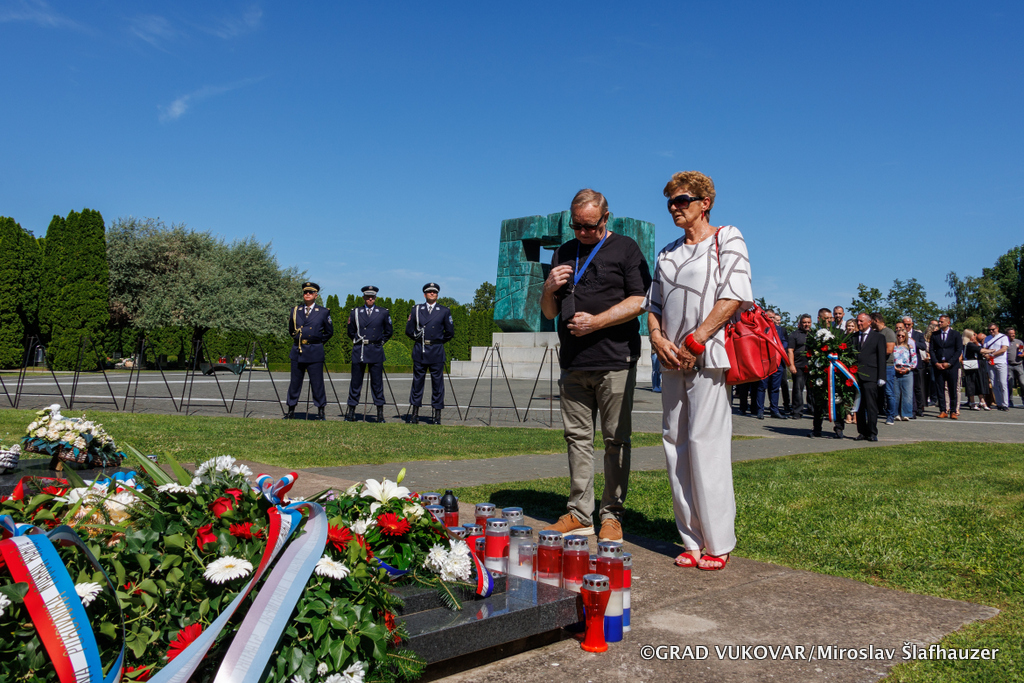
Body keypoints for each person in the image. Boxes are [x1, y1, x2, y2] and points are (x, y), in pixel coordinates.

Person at [645, 171, 752, 571]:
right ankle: (690, 538)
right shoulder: (667, 253)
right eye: (670, 202)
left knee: (707, 444)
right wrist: (658, 339)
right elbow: (653, 305)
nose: (675, 207)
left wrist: (697, 339)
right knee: (675, 445)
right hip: (671, 359)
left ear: (705, 203)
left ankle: (717, 542)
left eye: (682, 200)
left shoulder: (728, 237)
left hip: (708, 355)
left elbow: (734, 295)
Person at [540, 188, 651, 542]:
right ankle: (579, 513)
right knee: (577, 439)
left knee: (616, 439)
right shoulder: (564, 251)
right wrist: (547, 288)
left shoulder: (626, 248)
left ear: (606, 217)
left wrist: (597, 322)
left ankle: (612, 515)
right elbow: (549, 312)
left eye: (590, 226)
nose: (584, 232)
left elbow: (641, 300)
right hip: (573, 361)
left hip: (614, 358)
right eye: (577, 226)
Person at [406, 283, 454, 424]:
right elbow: (408, 330)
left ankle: (437, 414)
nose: (432, 293)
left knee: (437, 384)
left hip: (436, 351)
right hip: (420, 350)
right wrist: (419, 339)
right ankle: (415, 413)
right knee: (417, 384)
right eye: (429, 292)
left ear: (437, 295)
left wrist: (437, 341)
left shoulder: (444, 311)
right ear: (424, 295)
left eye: (434, 292)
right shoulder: (416, 309)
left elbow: (450, 332)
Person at [285, 281, 334, 420]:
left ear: (316, 295)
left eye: (311, 292)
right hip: (298, 350)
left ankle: (320, 411)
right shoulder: (295, 310)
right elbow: (291, 330)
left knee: (317, 383)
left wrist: (317, 341)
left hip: (314, 351)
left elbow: (329, 332)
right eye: (305, 292)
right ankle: (291, 410)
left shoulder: (323, 312)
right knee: (295, 383)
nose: (307, 294)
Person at [346, 286, 393, 423]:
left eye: (372, 297)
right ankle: (351, 411)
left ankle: (379, 413)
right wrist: (358, 341)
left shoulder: (383, 312)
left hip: (375, 350)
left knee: (377, 384)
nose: (370, 299)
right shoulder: (355, 312)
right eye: (367, 296)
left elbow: (388, 331)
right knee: (355, 383)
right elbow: (350, 331)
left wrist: (379, 342)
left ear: (375, 298)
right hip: (359, 350)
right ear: (363, 297)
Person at [854, 312, 887, 441]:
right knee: (859, 406)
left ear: (869, 322)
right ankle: (862, 432)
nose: (859, 323)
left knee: (871, 405)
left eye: (861, 321)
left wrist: (882, 376)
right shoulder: (854, 337)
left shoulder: (878, 337)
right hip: (856, 377)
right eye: (858, 321)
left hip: (871, 376)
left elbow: (881, 357)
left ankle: (872, 432)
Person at [755, 311, 793, 419]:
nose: (771, 319)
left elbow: (784, 341)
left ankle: (774, 410)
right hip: (764, 361)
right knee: (762, 386)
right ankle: (760, 410)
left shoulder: (779, 329)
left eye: (773, 317)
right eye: (769, 317)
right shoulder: (759, 328)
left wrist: (779, 347)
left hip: (777, 362)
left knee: (775, 387)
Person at [929, 314, 963, 419]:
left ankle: (953, 411)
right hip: (939, 366)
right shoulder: (935, 335)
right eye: (939, 321)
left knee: (953, 389)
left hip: (952, 366)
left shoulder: (956, 334)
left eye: (941, 322)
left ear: (948, 323)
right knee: (940, 389)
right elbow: (931, 350)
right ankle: (943, 410)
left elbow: (958, 350)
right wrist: (936, 362)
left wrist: (950, 363)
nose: (939, 323)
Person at [872, 313, 897, 425]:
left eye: (871, 320)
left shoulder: (888, 332)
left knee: (889, 392)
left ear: (876, 321)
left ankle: (891, 416)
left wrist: (872, 353)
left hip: (887, 366)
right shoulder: (875, 332)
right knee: (874, 391)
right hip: (875, 366)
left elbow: (889, 350)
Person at [980, 323, 1010, 411]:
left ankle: (1005, 404)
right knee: (994, 384)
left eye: (993, 329)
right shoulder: (987, 338)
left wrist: (992, 355)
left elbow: (1003, 349)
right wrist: (986, 356)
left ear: (997, 328)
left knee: (1003, 383)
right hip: (990, 363)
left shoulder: (1003, 337)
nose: (991, 331)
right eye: (989, 330)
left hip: (1001, 362)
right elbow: (984, 349)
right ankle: (999, 403)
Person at [788, 314, 813, 419]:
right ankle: (797, 411)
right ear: (800, 323)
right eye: (804, 322)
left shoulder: (815, 334)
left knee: (812, 389)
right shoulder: (794, 335)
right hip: (798, 365)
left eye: (808, 322)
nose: (806, 324)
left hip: (812, 366)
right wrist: (791, 365)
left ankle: (812, 409)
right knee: (798, 389)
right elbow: (790, 350)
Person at [904, 316, 928, 417]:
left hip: (916, 364)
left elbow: (923, 346)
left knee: (918, 387)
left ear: (912, 324)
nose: (906, 326)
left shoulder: (918, 334)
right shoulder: (900, 334)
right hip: (905, 363)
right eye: (905, 324)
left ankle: (919, 408)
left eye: (908, 324)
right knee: (907, 388)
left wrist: (914, 343)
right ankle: (909, 408)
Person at [893, 329, 917, 421]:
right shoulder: (894, 347)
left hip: (907, 370)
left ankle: (906, 414)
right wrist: (895, 368)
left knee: (907, 394)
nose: (900, 337)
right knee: (896, 394)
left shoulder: (909, 347)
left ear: (905, 337)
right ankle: (896, 413)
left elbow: (914, 360)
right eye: (899, 335)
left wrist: (908, 368)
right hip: (896, 370)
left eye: (903, 336)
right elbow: (890, 359)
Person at [962, 330, 988, 410]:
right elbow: (980, 350)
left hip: (976, 366)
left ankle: (982, 401)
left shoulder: (972, 344)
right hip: (971, 366)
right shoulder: (969, 344)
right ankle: (972, 402)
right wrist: (991, 351)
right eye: (973, 335)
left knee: (979, 383)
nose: (975, 336)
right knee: (971, 384)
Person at [1007, 327, 1023, 407]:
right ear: (1007, 334)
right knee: (1010, 384)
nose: (1013, 335)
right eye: (1011, 333)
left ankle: (1023, 399)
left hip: (1018, 365)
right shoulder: (1005, 342)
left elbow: (1022, 352)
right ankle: (1010, 401)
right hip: (1008, 365)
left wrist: (1022, 354)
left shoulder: (1019, 342)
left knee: (1022, 382)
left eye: (1013, 333)